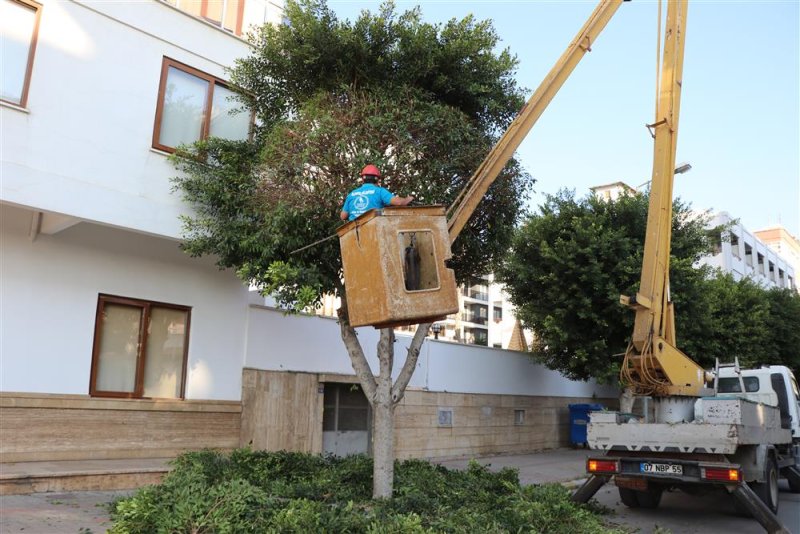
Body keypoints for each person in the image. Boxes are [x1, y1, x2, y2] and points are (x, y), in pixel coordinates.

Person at [340, 164, 414, 221]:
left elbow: (343, 216)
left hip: (353, 232)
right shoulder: (379, 191)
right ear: (377, 180)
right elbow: (399, 203)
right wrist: (408, 199)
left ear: (362, 179)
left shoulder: (352, 194)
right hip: (374, 230)